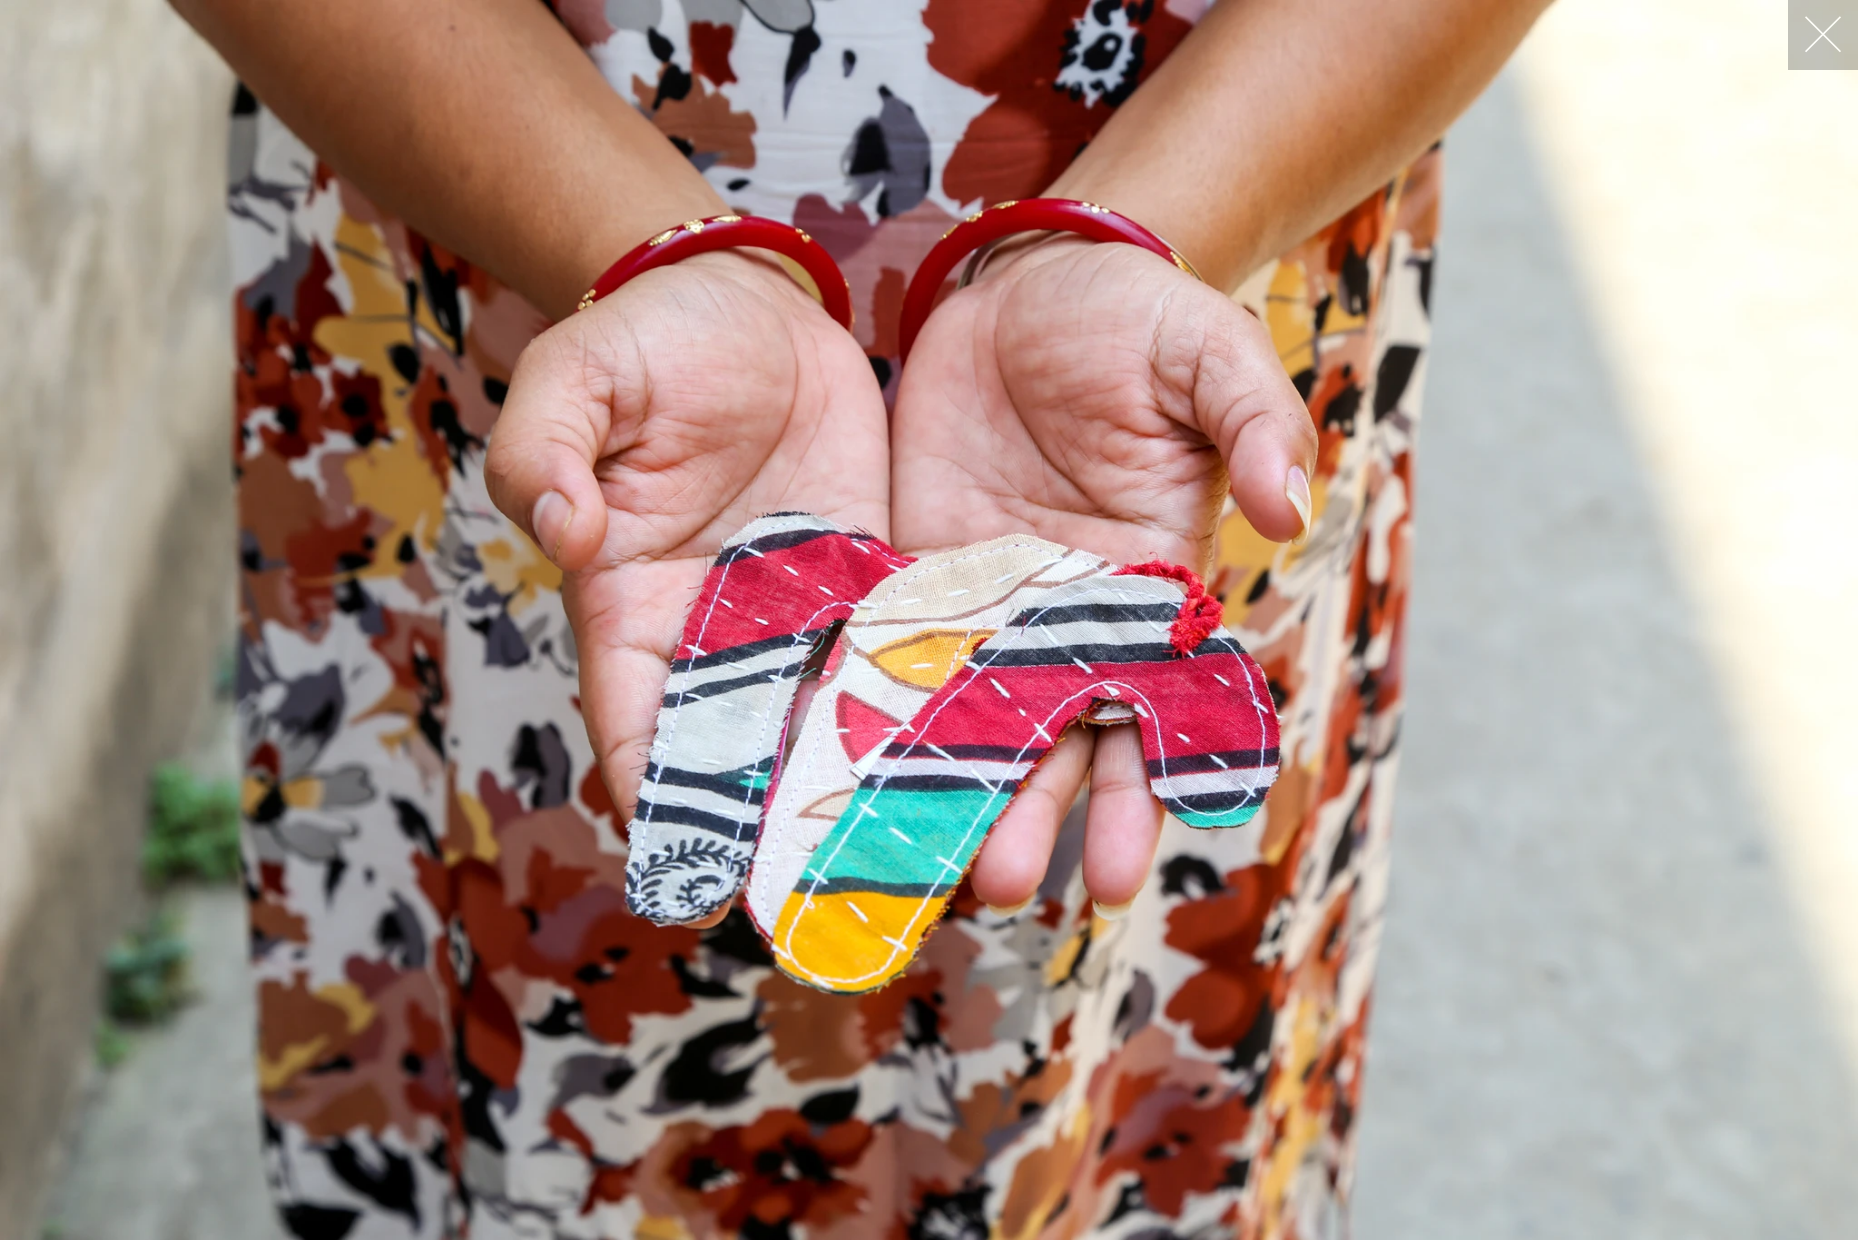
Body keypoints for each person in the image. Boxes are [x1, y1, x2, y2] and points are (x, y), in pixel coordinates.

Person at [174, 0, 1544, 1234]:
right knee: (566, 1019)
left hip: (1200, 286)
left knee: (1096, 1063)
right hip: (507, 263)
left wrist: (1148, 223)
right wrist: (632, 244)